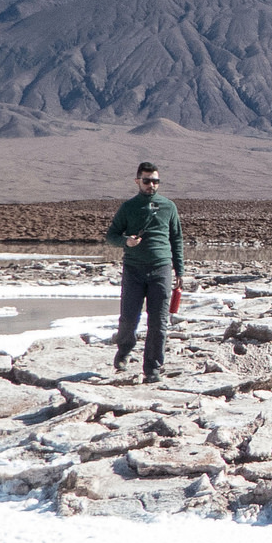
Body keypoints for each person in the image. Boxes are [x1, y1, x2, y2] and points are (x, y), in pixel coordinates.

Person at [104, 161, 184, 383]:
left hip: (161, 269)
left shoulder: (168, 207)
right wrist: (126, 241)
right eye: (147, 181)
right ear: (137, 181)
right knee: (129, 318)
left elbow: (176, 239)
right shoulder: (128, 207)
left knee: (158, 322)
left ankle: (153, 368)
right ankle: (124, 350)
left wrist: (179, 270)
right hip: (134, 269)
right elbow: (111, 236)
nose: (151, 185)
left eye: (155, 181)